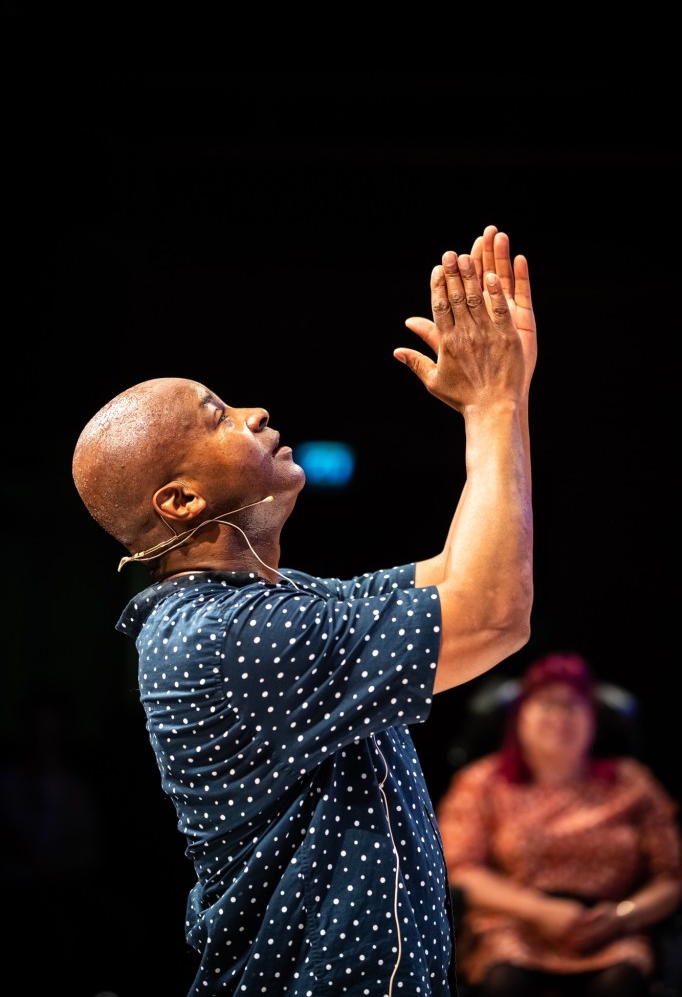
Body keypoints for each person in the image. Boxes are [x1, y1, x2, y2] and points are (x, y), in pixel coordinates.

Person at [71, 224, 535, 997]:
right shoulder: (221, 634)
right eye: (218, 416)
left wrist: (503, 400)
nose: (253, 411)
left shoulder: (272, 599)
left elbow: (462, 576)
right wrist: (493, 406)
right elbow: (493, 613)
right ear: (180, 500)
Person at [436, 651, 682, 997]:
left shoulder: (633, 783)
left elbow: (672, 876)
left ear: (593, 718)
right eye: (546, 703)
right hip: (514, 924)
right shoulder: (481, 783)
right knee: (505, 980)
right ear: (519, 717)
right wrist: (540, 912)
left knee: (621, 981)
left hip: (611, 927)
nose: (560, 717)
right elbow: (460, 871)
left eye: (573, 705)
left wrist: (624, 916)